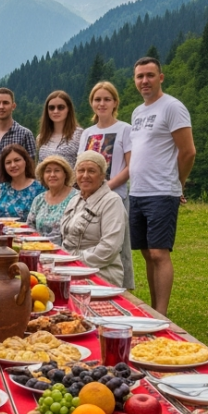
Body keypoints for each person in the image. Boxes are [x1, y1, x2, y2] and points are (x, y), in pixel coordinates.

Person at [128, 56, 195, 315]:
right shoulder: (137, 112)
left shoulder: (172, 107)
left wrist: (177, 184)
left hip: (162, 191)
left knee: (159, 253)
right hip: (138, 191)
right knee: (146, 252)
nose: (144, 81)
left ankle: (162, 314)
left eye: (150, 75)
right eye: (140, 76)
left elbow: (188, 151)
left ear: (161, 77)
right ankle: (154, 309)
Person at [81, 81, 135, 289]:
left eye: (107, 99)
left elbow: (130, 167)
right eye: (97, 99)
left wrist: (106, 188)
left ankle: (123, 287)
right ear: (92, 103)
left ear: (115, 103)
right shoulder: (87, 133)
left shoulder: (124, 129)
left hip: (115, 196)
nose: (102, 103)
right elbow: (81, 165)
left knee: (117, 246)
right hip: (89, 199)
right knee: (92, 245)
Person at [59, 151, 127, 288]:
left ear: (102, 175)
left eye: (91, 171)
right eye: (81, 170)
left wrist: (73, 262)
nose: (85, 176)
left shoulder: (112, 201)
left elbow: (109, 248)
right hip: (69, 269)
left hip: (101, 273)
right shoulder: (74, 200)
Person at [0, 87, 37, 200]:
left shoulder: (25, 134)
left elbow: (31, 168)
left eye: (5, 103)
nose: (1, 107)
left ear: (13, 106)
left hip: (18, 196)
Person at [26, 156, 77, 245]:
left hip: (66, 252)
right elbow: (29, 228)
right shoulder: (39, 199)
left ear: (65, 174)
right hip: (40, 250)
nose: (52, 175)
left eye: (57, 171)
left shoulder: (76, 197)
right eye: (48, 171)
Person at [0, 144, 45, 220]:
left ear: (25, 161)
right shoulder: (0, 189)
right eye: (8, 162)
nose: (13, 165)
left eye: (17, 160)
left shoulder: (39, 189)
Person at [36, 90, 83, 167]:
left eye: (61, 107)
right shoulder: (41, 137)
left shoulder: (80, 135)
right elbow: (39, 167)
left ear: (68, 109)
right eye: (51, 108)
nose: (55, 111)